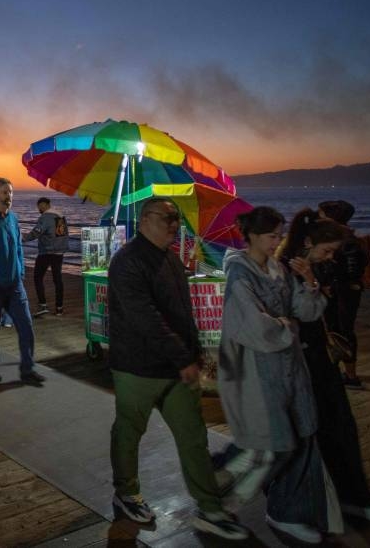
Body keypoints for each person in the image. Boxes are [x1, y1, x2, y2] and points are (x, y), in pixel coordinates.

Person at [107, 197, 247, 540]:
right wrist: (184, 357)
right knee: (129, 431)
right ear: (144, 220)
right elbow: (145, 318)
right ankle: (126, 492)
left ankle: (211, 508)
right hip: (137, 368)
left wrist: (195, 352)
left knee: (193, 436)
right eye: (167, 217)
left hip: (175, 370)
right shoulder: (127, 262)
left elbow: (184, 313)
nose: (174, 224)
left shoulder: (171, 259)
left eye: (176, 218)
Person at [217, 207, 339, 543]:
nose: (277, 242)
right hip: (258, 372)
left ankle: (281, 509)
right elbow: (253, 326)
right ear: (253, 235)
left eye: (279, 235)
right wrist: (288, 327)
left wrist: (310, 282)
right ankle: (229, 497)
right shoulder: (240, 275)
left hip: (289, 370)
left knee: (296, 438)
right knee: (278, 444)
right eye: (272, 235)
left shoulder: (278, 271)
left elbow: (304, 310)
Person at [280, 208, 370, 528]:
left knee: (341, 427)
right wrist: (309, 283)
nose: (330, 256)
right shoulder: (280, 270)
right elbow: (296, 316)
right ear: (306, 242)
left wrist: (315, 281)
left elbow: (320, 308)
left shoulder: (318, 267)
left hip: (320, 358)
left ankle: (355, 499)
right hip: (295, 362)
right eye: (326, 249)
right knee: (301, 438)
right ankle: (298, 508)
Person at [0, 178, 44, 385]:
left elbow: (19, 248)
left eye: (11, 193)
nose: (9, 197)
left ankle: (27, 369)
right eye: (5, 193)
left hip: (15, 286)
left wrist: (21, 271)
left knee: (26, 326)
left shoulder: (14, 218)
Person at [317, 200, 369, 388]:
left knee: (342, 330)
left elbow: (351, 269)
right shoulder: (346, 237)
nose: (319, 217)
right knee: (335, 329)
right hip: (339, 290)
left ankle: (351, 375)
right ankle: (341, 371)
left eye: (321, 214)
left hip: (342, 291)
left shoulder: (345, 240)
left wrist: (329, 280)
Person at [24, 196, 69, 317]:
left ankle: (43, 305)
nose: (39, 209)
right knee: (57, 280)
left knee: (38, 277)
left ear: (44, 205)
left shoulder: (45, 217)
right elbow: (62, 235)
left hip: (46, 252)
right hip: (59, 253)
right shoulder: (60, 216)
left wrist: (23, 239)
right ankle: (59, 308)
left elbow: (36, 232)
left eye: (39, 206)